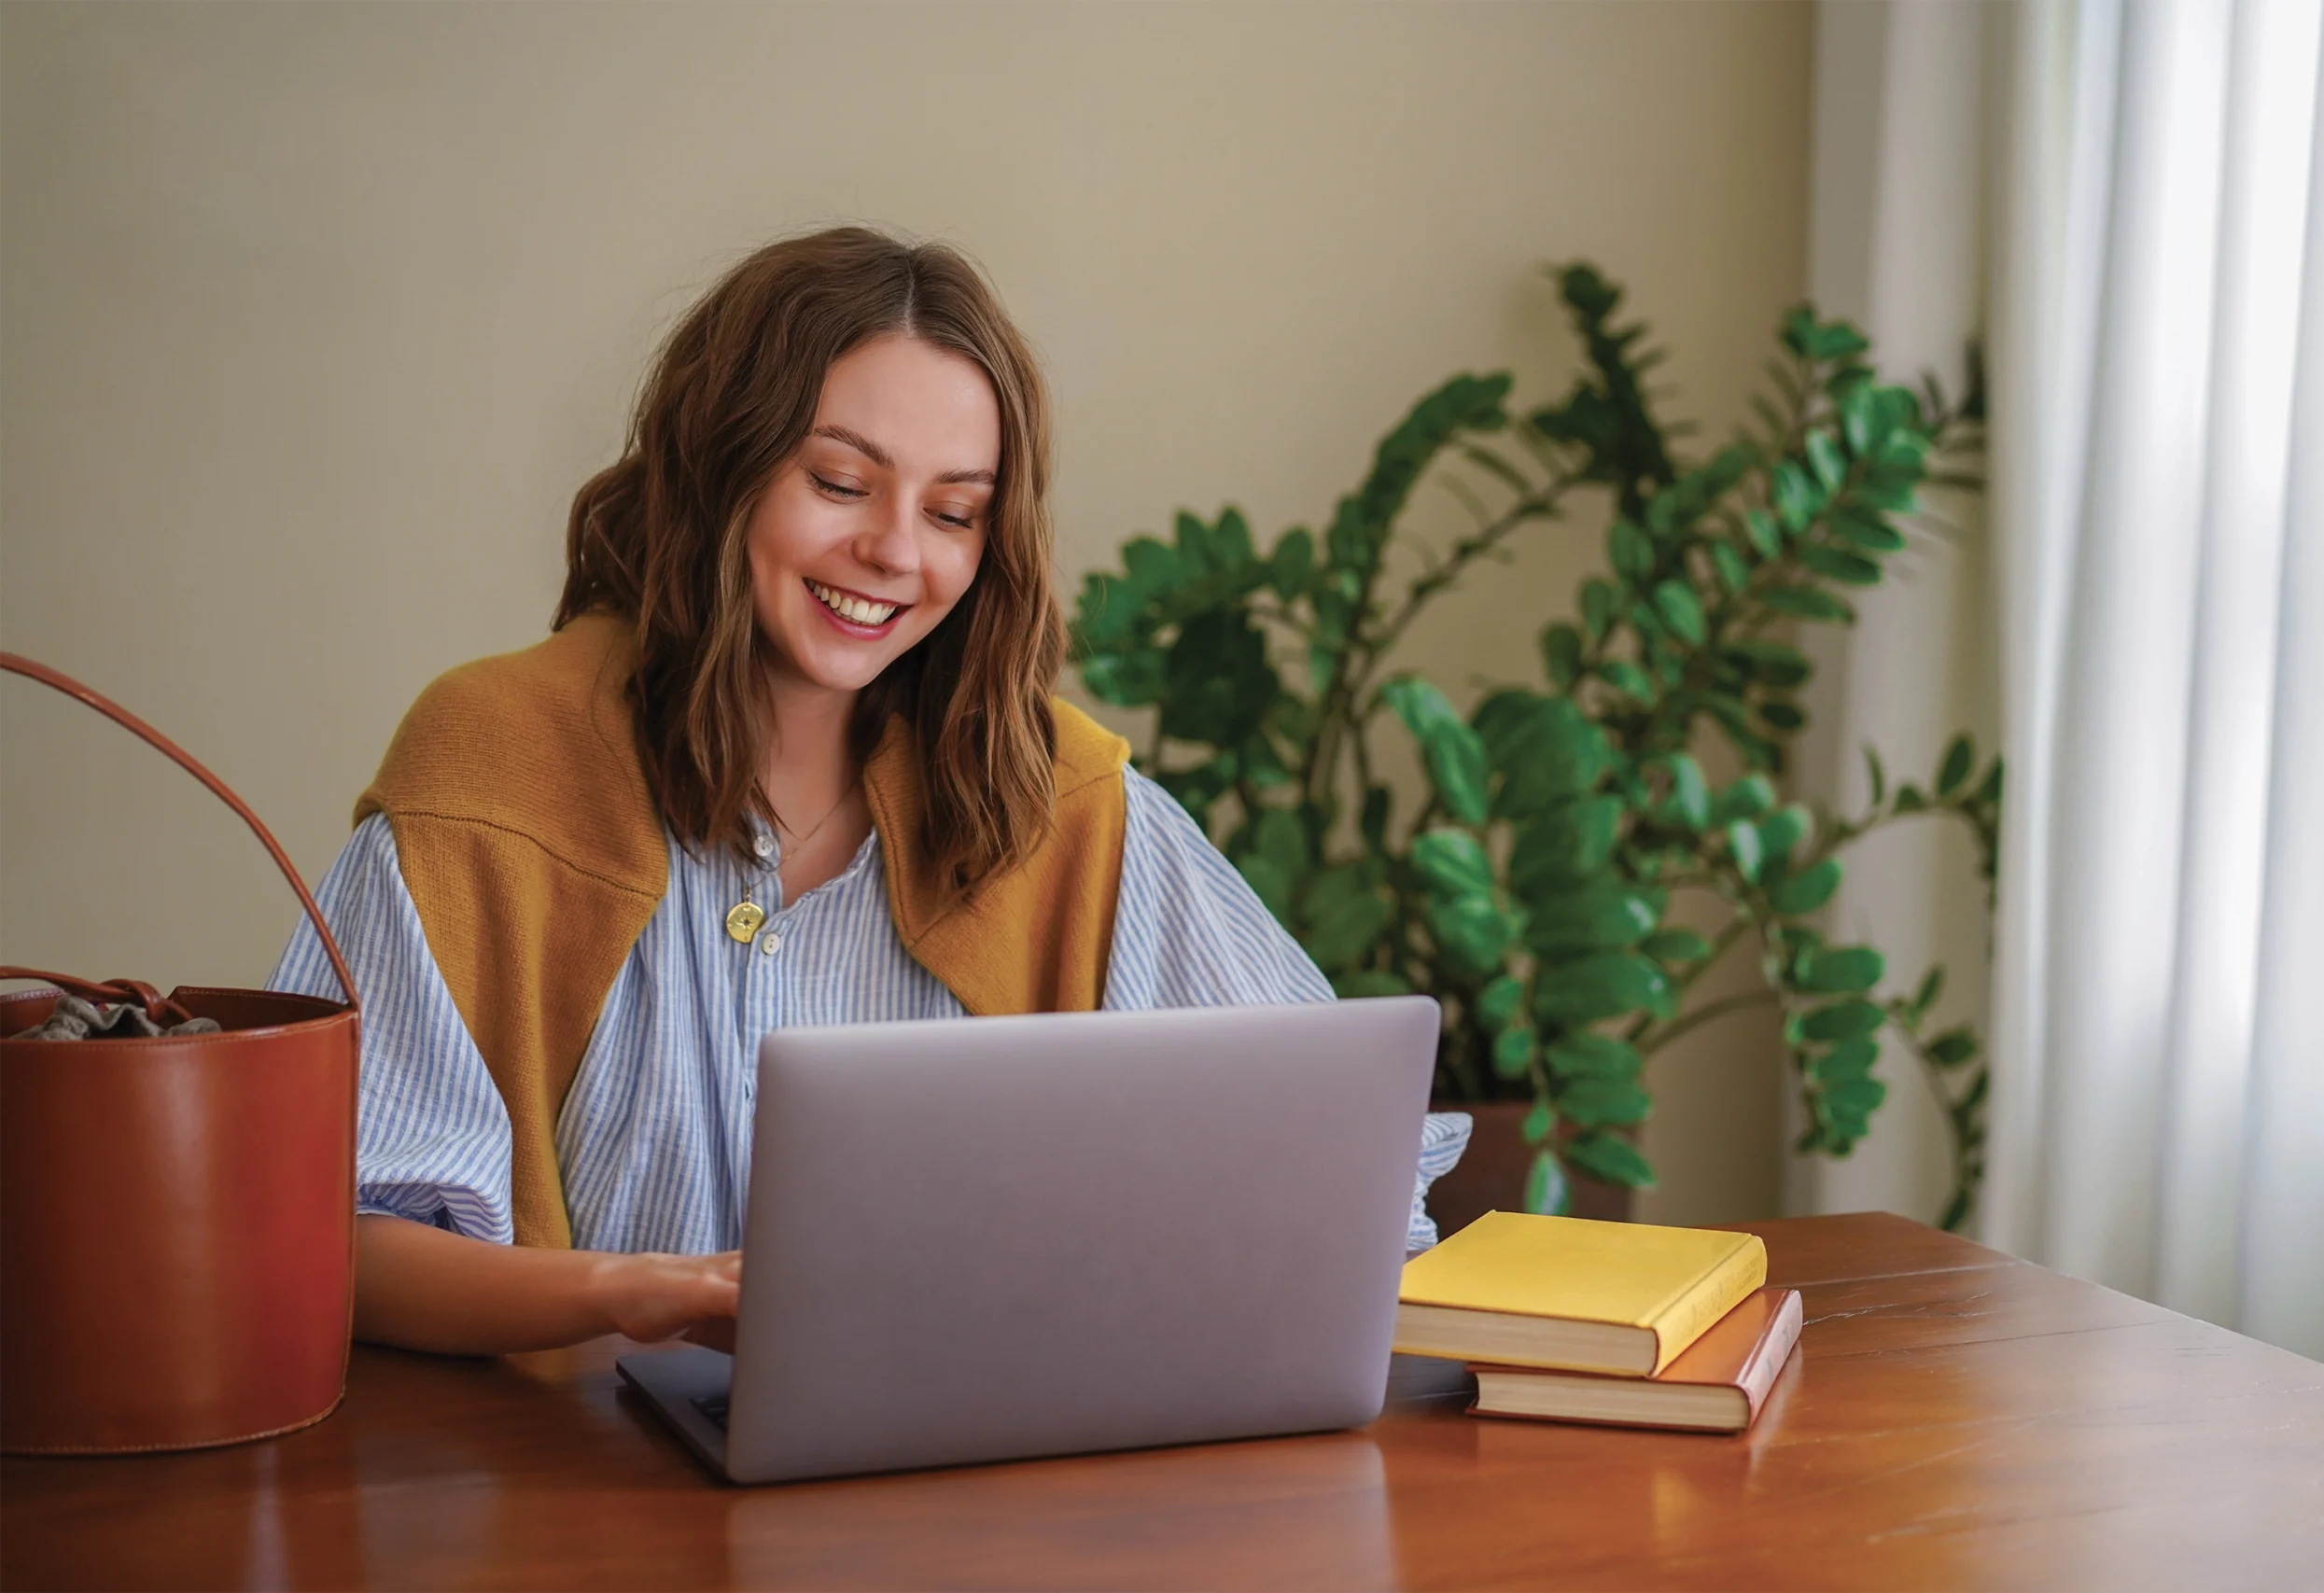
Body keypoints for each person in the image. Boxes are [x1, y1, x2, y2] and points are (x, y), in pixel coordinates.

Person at [272, 227, 1465, 1358]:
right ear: (716, 471)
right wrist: (642, 1295)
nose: (899, 551)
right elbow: (337, 1237)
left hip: (979, 1507)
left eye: (954, 511)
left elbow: (1352, 1170)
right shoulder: (492, 762)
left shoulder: (1063, 800)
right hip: (568, 1512)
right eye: (841, 483)